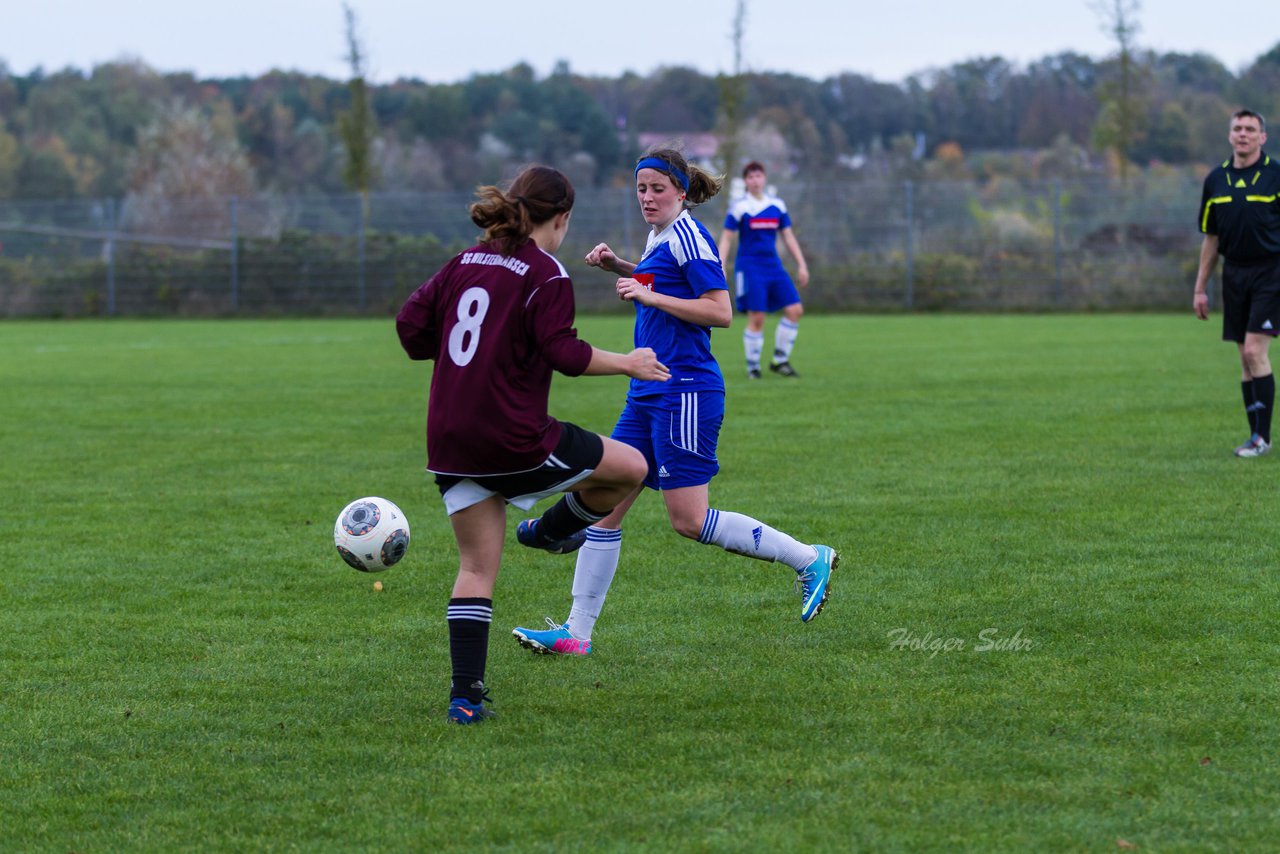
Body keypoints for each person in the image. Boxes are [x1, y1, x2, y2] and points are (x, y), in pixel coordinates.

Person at [511, 148, 838, 657]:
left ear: (681, 193)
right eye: (641, 189)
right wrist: (619, 267)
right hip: (648, 387)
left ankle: (807, 557)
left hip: (685, 389)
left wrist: (649, 296)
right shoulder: (661, 235)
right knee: (606, 506)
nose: (647, 198)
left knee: (689, 520)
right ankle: (576, 633)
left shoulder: (690, 236)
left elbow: (720, 310)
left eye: (657, 189)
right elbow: (660, 281)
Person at [395, 165, 670, 724]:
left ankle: (465, 699)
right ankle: (547, 533)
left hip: (449, 436)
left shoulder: (464, 260)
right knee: (632, 468)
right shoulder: (546, 273)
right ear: (562, 218)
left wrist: (462, 357)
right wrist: (629, 363)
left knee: (475, 568)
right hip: (511, 435)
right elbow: (564, 355)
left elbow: (409, 328)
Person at [1193, 109, 1280, 458]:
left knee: (1255, 350)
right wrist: (1200, 287)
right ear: (1230, 136)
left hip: (1272, 272)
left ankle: (1262, 439)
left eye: (1250, 129)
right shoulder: (1215, 181)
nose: (1243, 134)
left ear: (1263, 137)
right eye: (1237, 129)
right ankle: (1255, 436)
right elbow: (1211, 238)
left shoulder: (1276, 176)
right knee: (1244, 360)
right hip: (1234, 274)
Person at [717, 161, 811, 378]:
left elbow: (788, 236)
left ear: (764, 178)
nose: (755, 180)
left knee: (795, 310)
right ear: (746, 181)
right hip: (750, 267)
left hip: (774, 266)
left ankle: (780, 360)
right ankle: (753, 368)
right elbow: (727, 238)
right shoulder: (740, 207)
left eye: (758, 176)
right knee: (757, 317)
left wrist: (802, 264)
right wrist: (720, 265)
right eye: (750, 177)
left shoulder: (776, 205)